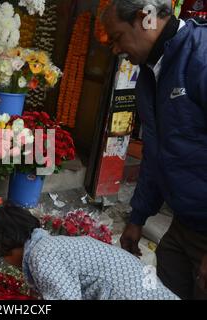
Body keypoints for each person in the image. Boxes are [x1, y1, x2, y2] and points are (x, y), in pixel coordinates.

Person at [101, 0, 207, 299]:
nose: (115, 49)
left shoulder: (201, 57)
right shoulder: (149, 75)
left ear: (144, 17)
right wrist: (138, 217)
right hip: (183, 223)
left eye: (117, 36)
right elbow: (156, 154)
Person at [0, 205, 178, 300]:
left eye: (3, 255)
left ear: (9, 243)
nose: (7, 262)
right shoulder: (50, 245)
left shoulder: (41, 255)